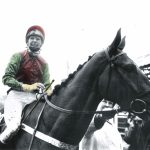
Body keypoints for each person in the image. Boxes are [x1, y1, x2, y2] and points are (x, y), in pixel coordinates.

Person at [0, 25, 52, 144]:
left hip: (34, 98)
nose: (34, 40)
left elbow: (47, 83)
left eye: (38, 39)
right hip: (16, 96)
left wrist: (48, 90)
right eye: (32, 38)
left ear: (41, 43)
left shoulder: (44, 63)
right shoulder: (18, 56)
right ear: (27, 41)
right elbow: (6, 78)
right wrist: (29, 87)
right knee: (13, 127)